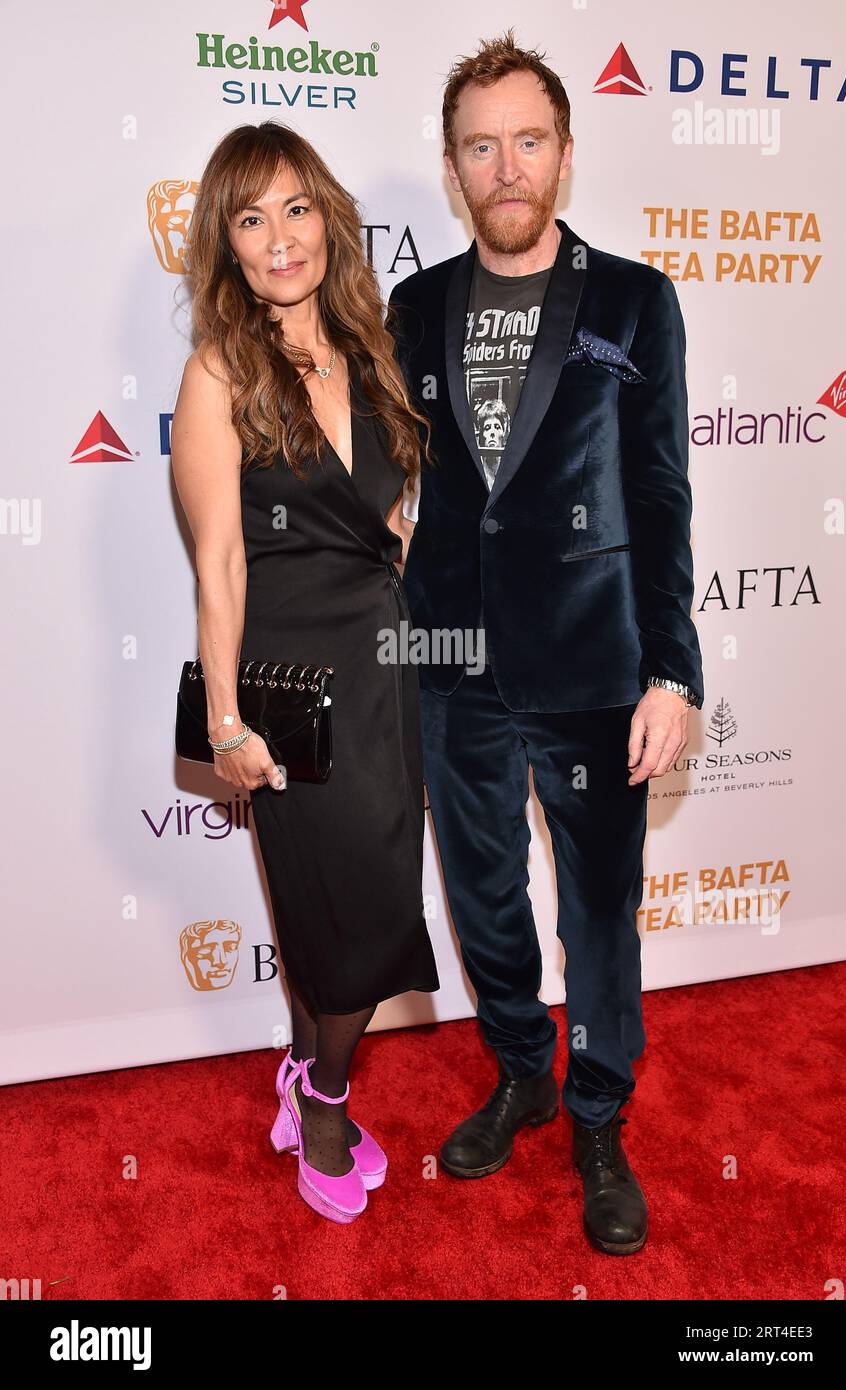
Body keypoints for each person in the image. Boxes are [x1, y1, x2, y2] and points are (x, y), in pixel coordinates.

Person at [386, 31, 704, 1255]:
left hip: (592, 661)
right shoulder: (411, 311)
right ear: (455, 164)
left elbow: (661, 489)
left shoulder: (631, 300)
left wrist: (668, 666)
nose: (504, 165)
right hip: (452, 659)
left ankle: (595, 1110)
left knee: (600, 912)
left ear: (563, 155)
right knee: (478, 895)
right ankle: (520, 1067)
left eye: (526, 140)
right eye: (480, 145)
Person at [171, 120, 440, 1225]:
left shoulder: (368, 350)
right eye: (250, 218)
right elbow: (219, 563)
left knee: (363, 901)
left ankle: (299, 1068)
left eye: (294, 209)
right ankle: (324, 1097)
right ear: (227, 248)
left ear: (324, 218)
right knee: (349, 917)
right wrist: (228, 720)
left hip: (385, 665)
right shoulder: (219, 373)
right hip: (290, 691)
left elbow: (393, 521)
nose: (279, 237)